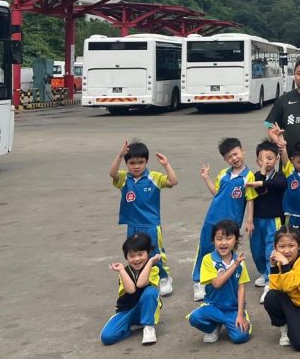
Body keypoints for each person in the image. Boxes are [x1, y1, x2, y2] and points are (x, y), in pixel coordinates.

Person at [108, 140, 177, 296]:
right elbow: (112, 174)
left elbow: (173, 181)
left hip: (151, 224)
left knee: (155, 252)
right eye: (132, 163)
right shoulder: (124, 178)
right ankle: (140, 278)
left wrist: (166, 165)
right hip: (132, 225)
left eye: (140, 162)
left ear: (146, 161)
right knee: (135, 253)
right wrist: (120, 156)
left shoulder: (154, 177)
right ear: (126, 163)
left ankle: (164, 277)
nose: (136, 166)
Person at [191, 138, 251, 302]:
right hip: (212, 219)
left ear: (242, 151)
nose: (234, 158)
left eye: (235, 154)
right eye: (229, 157)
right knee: (205, 249)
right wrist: (206, 177)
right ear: (225, 159)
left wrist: (249, 220)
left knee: (228, 250)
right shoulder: (223, 174)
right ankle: (199, 281)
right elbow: (216, 193)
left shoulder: (248, 176)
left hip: (232, 222)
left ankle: (230, 277)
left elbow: (250, 199)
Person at [188, 220, 251, 344]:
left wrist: (240, 315)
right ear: (213, 241)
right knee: (195, 318)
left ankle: (230, 320)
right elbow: (217, 284)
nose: (223, 242)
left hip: (232, 309)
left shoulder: (239, 261)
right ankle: (213, 327)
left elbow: (241, 288)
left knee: (240, 337)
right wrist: (234, 265)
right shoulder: (208, 260)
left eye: (228, 238)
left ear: (236, 240)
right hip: (213, 306)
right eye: (219, 239)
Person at [263, 225, 300, 351]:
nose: (286, 251)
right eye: (282, 246)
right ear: (275, 247)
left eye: (291, 246)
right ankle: (284, 326)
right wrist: (273, 267)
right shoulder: (281, 262)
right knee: (271, 297)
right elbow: (275, 289)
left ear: (299, 246)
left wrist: (284, 264)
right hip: (290, 304)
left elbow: (289, 285)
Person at [100, 233, 162, 346]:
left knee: (150, 292)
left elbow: (141, 283)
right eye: (132, 256)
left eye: (141, 254)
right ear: (126, 258)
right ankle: (129, 327)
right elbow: (131, 290)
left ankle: (148, 326)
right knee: (106, 337)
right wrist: (121, 270)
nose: (136, 259)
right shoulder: (124, 271)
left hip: (144, 308)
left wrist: (150, 262)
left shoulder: (153, 269)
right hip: (126, 310)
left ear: (148, 253)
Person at [245, 141, 286, 303]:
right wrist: (261, 176)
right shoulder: (255, 176)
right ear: (257, 161)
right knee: (256, 249)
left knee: (271, 249)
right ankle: (264, 272)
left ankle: (270, 282)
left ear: (276, 159)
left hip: (273, 220)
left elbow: (277, 185)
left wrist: (261, 182)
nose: (266, 162)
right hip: (257, 219)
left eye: (270, 158)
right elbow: (258, 190)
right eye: (262, 159)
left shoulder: (279, 177)